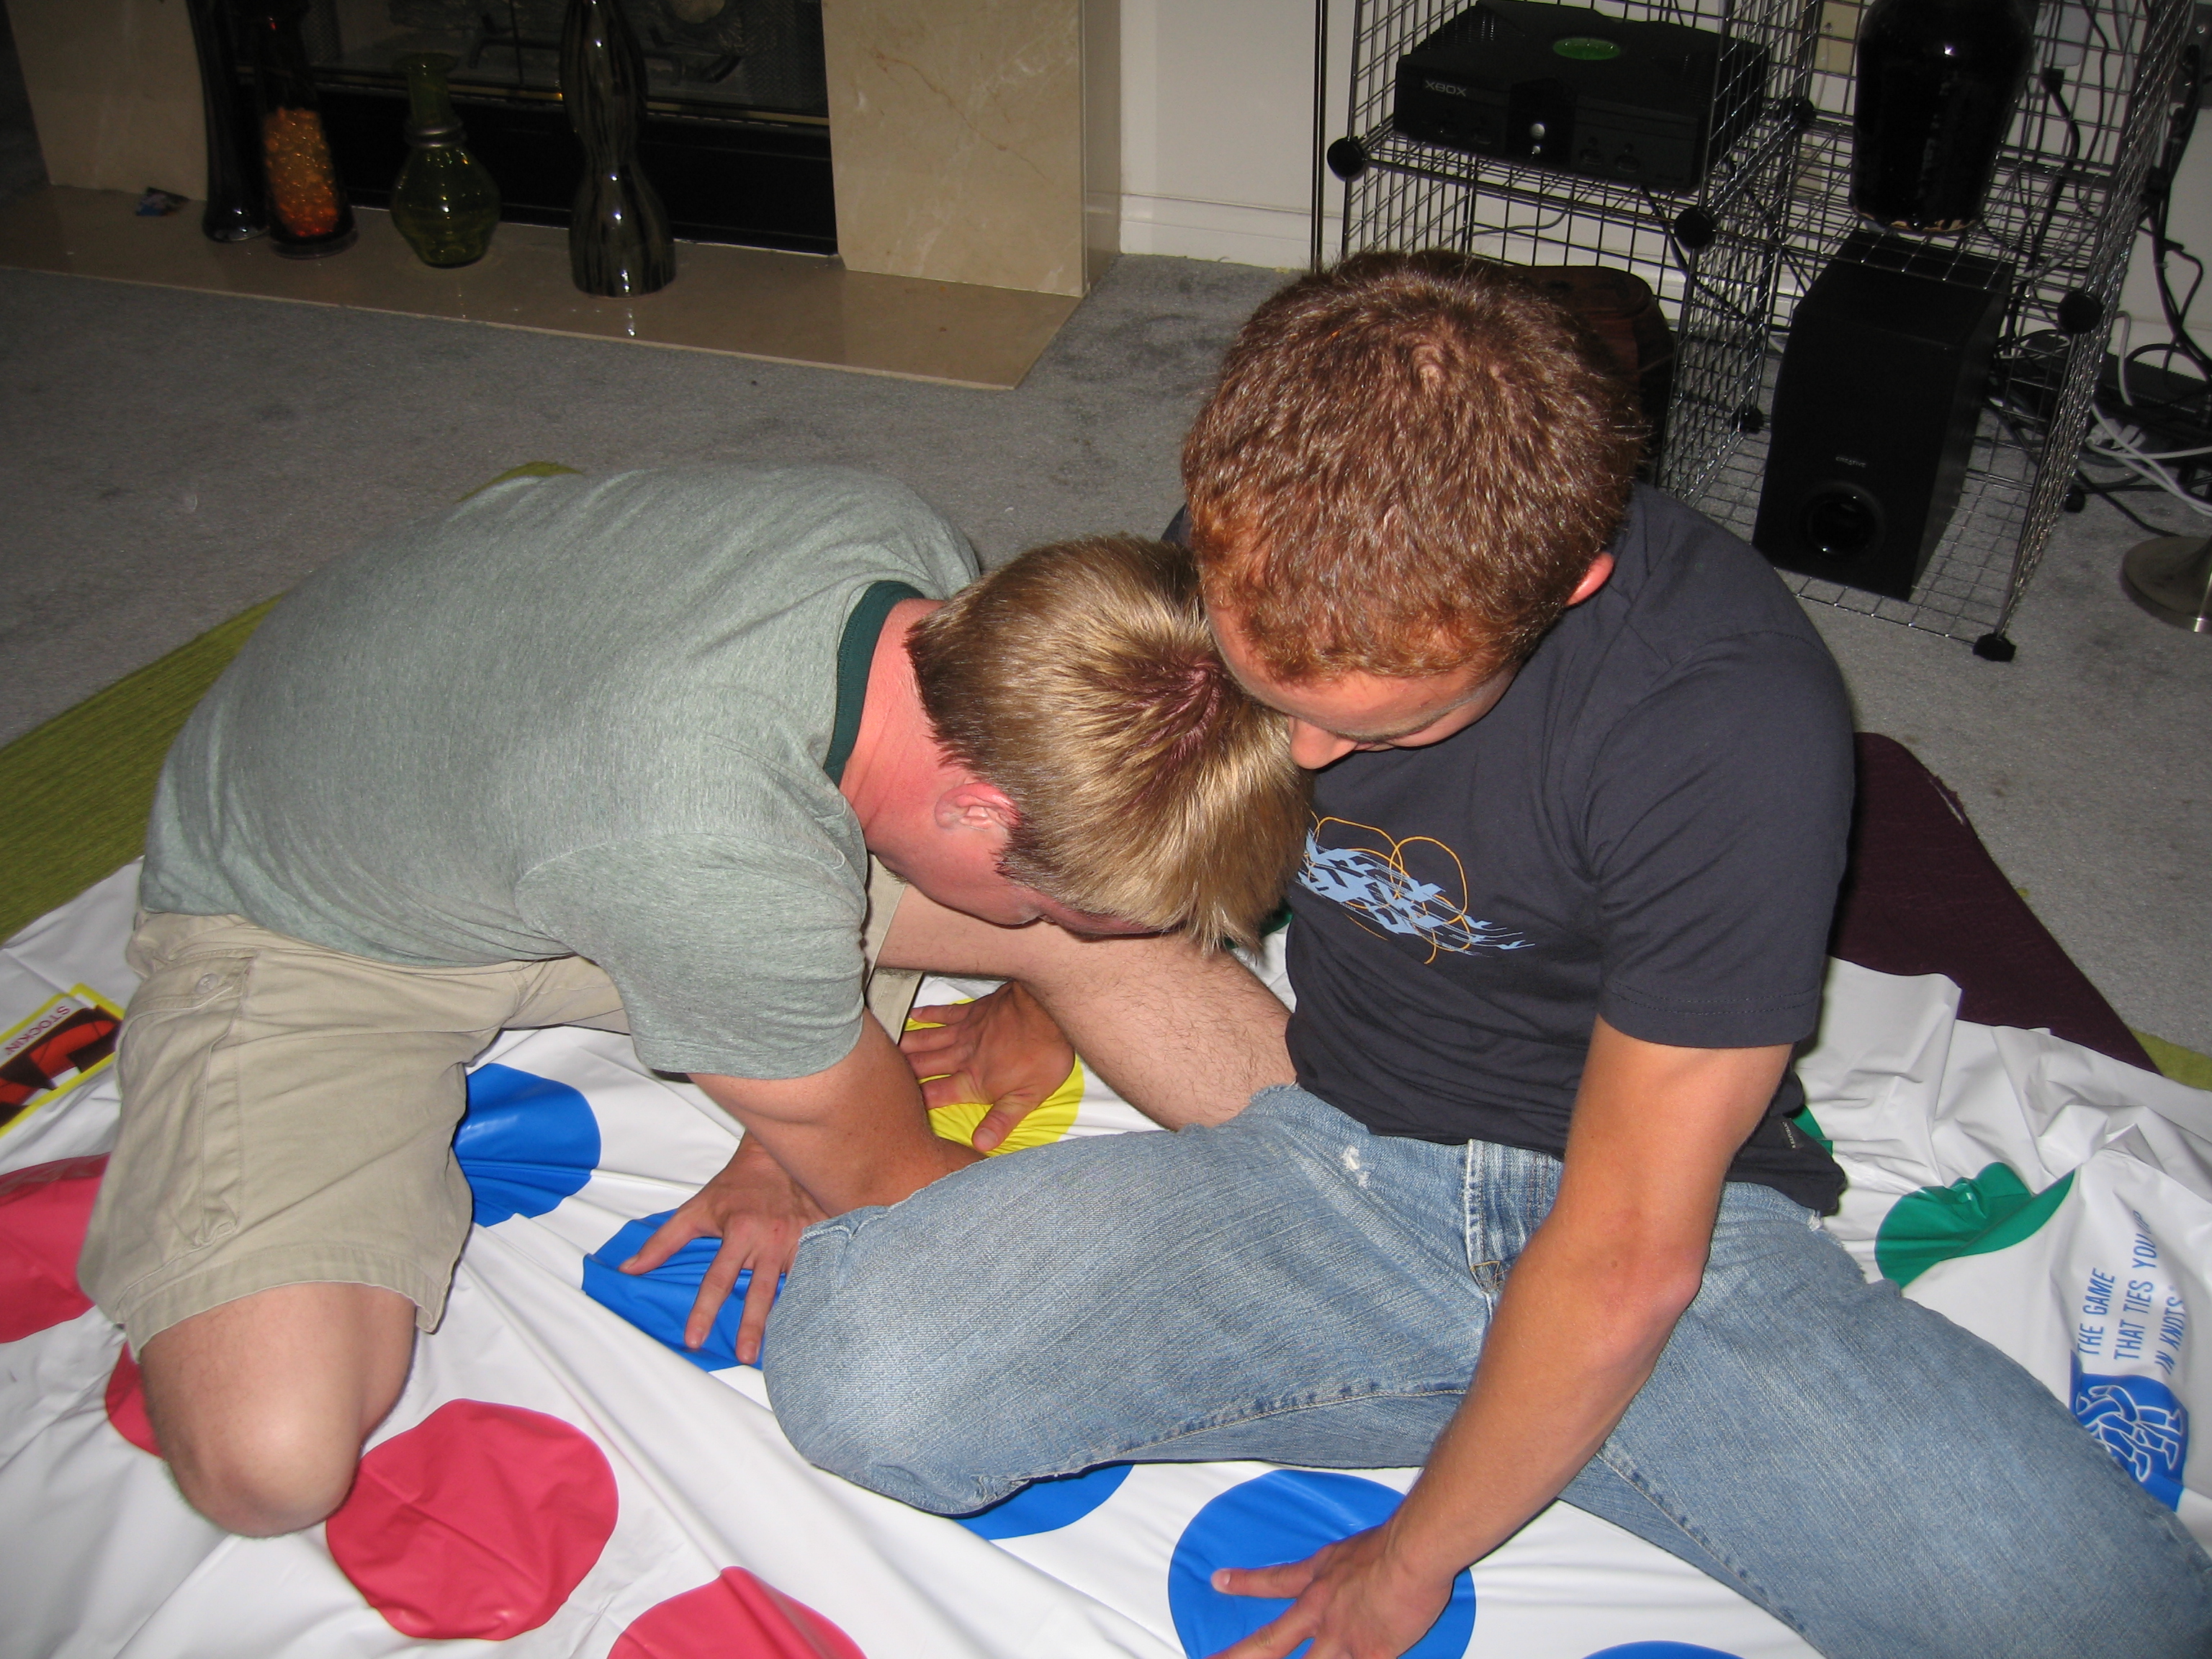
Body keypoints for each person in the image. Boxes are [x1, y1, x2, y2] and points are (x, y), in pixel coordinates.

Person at [758, 258, 2212, 1658]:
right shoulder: (1259, 536)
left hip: (1658, 1231)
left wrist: (1412, 1560)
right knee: (861, 1371)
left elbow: (1631, 1245)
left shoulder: (1730, 720)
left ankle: (1568, 1391)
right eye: (1268, 692)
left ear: (1569, 584)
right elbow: (1153, 806)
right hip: (1336, 1164)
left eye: (1378, 724)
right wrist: (1057, 983)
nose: (1299, 757)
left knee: (2105, 1628)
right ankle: (1569, 1404)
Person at [79, 462, 1305, 1539]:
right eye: (1055, 906)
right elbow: (918, 1200)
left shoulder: (917, 571)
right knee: (269, 1463)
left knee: (1113, 920)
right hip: (311, 912)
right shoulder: (697, 838)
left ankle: (1380, 1187)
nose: (1059, 928)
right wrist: (814, 1115)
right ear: (975, 810)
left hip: (542, 777)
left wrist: (804, 1095)